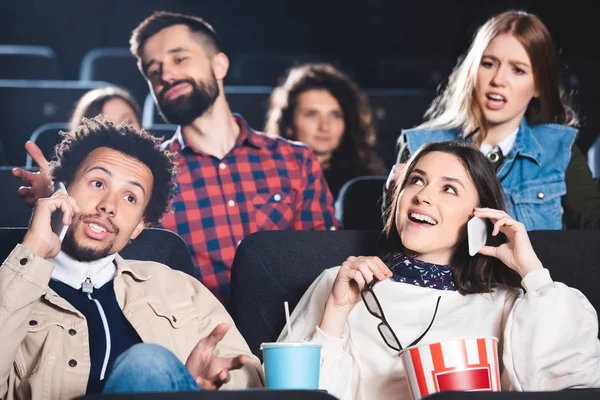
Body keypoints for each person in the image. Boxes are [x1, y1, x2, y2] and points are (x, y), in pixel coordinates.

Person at [14, 11, 339, 304]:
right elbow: (103, 259)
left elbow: (322, 264)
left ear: (219, 65)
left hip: (291, 334)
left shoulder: (294, 160)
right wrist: (65, 202)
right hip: (193, 337)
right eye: (153, 70)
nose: (165, 75)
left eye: (179, 59)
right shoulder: (147, 180)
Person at [281, 141, 600, 400]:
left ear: (479, 217)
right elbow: (291, 394)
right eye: (416, 180)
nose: (422, 195)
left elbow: (567, 383)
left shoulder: (508, 305)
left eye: (449, 189)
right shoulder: (341, 283)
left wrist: (532, 271)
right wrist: (336, 311)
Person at [0, 117, 264, 400]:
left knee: (148, 364)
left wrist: (205, 385)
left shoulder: (180, 289)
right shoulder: (13, 284)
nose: (108, 206)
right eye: (98, 183)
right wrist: (33, 252)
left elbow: (249, 374)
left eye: (130, 198)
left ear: (139, 225)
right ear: (61, 191)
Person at [387, 10, 600, 230]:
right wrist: (392, 195)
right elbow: (394, 245)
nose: (498, 80)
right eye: (489, 64)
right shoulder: (420, 145)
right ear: (471, 70)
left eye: (518, 70)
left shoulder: (559, 150)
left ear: (538, 84)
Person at [265, 63, 386, 198]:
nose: (325, 127)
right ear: (288, 125)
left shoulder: (363, 185)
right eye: (311, 114)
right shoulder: (265, 179)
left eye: (335, 115)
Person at [12, 86, 143, 207]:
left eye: (128, 122)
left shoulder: (159, 174)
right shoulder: (74, 186)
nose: (122, 132)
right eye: (109, 125)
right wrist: (55, 191)